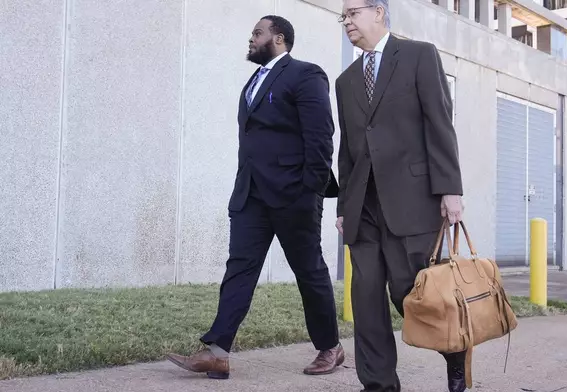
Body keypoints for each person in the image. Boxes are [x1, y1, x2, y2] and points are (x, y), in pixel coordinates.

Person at [166, 15, 344, 380]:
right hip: (251, 196)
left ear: (278, 38)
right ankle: (217, 351)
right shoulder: (254, 80)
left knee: (308, 272)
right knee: (239, 270)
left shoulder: (306, 74)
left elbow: (321, 135)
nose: (251, 39)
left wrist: (309, 190)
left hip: (293, 195)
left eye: (258, 33)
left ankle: (331, 347)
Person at [334, 1, 466, 391]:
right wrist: (344, 205)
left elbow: (439, 123)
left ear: (378, 12)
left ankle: (455, 350)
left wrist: (451, 189)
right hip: (364, 207)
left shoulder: (418, 56)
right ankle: (378, 385)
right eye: (343, 16)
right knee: (367, 301)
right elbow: (348, 149)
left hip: (412, 200)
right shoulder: (345, 81)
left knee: (412, 295)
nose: (347, 22)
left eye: (353, 13)